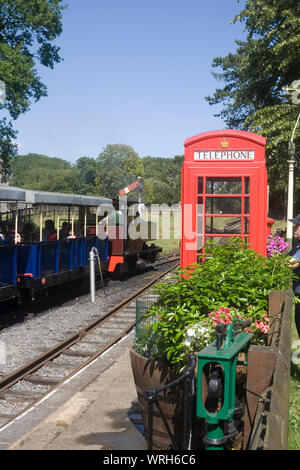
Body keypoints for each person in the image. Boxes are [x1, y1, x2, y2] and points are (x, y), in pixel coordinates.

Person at [288, 214, 300, 338]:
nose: (294, 227)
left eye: (297, 225)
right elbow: (285, 257)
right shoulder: (297, 245)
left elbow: (291, 263)